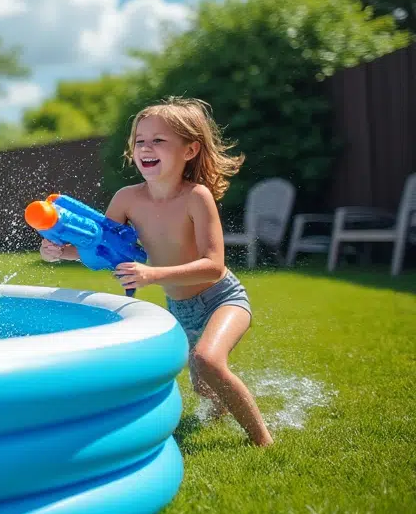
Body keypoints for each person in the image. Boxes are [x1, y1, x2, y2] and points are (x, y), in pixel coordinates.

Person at [40, 97, 273, 447]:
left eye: (158, 140)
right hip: (180, 307)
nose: (146, 148)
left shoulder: (196, 197)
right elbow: (104, 250)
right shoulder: (127, 199)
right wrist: (61, 251)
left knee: (207, 359)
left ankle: (262, 442)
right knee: (203, 384)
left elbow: (213, 267)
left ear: (190, 150)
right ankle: (219, 409)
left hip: (222, 298)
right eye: (140, 141)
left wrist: (151, 275)